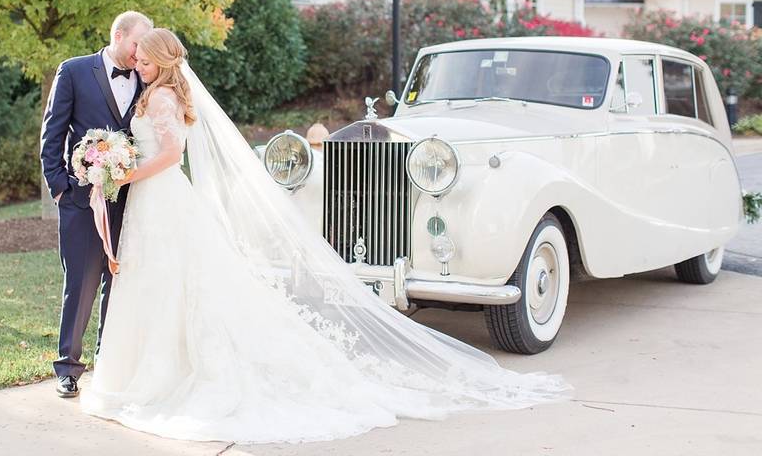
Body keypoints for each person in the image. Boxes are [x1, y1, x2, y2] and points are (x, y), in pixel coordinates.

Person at [82, 28, 569, 443]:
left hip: (160, 195)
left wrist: (123, 175)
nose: (136, 62)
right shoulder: (154, 92)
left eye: (143, 58)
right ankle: (144, 369)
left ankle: (163, 373)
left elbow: (169, 155)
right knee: (154, 284)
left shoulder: (164, 96)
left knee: (170, 282)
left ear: (162, 60)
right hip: (154, 202)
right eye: (136, 58)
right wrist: (113, 159)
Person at [39, 10, 152, 398]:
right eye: (138, 43)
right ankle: (68, 367)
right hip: (81, 199)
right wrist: (59, 187)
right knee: (81, 282)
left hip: (132, 200)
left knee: (119, 283)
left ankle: (110, 362)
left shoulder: (148, 79)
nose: (142, 52)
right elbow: (52, 131)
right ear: (119, 35)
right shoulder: (73, 71)